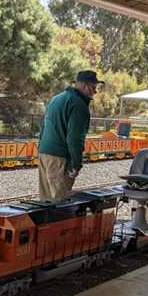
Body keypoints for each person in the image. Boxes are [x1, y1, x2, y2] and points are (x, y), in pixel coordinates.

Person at [37, 70, 99, 201]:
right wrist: (76, 164)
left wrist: (40, 150)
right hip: (60, 158)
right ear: (85, 86)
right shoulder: (78, 105)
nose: (95, 91)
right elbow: (75, 139)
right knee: (61, 202)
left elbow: (43, 127)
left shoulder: (56, 99)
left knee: (45, 201)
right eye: (94, 87)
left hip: (44, 154)